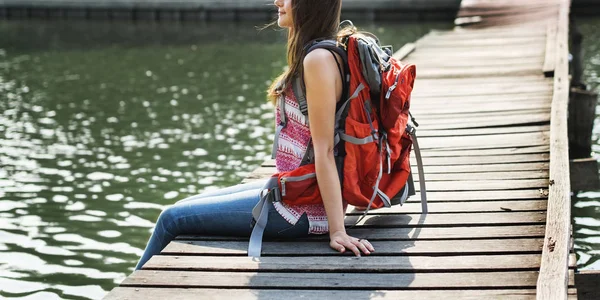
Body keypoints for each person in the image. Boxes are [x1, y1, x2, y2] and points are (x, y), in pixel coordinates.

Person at [134, 0, 374, 270]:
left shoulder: (318, 60)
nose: (277, 2)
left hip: (301, 208)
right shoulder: (320, 51)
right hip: (294, 190)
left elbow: (326, 150)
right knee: (181, 206)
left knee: (171, 218)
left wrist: (337, 231)